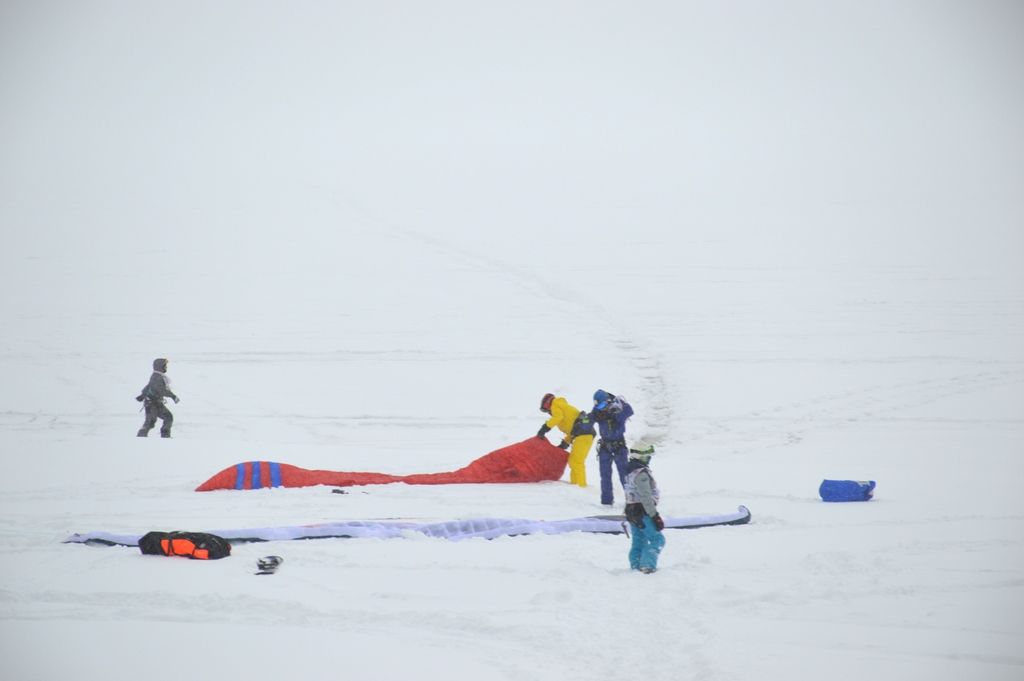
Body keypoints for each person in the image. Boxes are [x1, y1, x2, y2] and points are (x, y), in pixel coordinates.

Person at [536, 393, 595, 487]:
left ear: (548, 405)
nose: (549, 413)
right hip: (582, 434)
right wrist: (565, 443)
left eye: (547, 411)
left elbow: (558, 417)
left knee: (577, 462)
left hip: (584, 434)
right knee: (573, 461)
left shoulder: (555, 404)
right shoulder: (562, 406)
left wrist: (544, 428)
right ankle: (575, 485)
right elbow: (574, 429)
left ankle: (581, 487)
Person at [623, 441, 665, 573]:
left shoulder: (630, 471)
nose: (649, 459)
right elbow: (645, 497)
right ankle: (647, 565)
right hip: (643, 512)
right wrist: (655, 516)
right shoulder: (641, 474)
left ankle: (635, 566)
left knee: (639, 541)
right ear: (640, 456)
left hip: (632, 511)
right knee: (657, 539)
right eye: (647, 457)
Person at [591, 389, 633, 505]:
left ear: (608, 401)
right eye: (599, 406)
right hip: (605, 447)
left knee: (624, 475)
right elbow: (591, 418)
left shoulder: (619, 405)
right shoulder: (597, 409)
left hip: (619, 446)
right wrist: (590, 417)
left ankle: (632, 501)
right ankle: (606, 502)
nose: (601, 408)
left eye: (603, 405)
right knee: (605, 476)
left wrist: (616, 414)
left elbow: (630, 411)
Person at [136, 357, 179, 438]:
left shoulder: (158, 376)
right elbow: (161, 390)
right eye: (165, 366)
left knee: (168, 417)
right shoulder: (157, 377)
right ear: (160, 366)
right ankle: (141, 437)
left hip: (157, 402)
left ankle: (165, 435)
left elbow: (148, 386)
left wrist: (142, 395)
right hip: (151, 403)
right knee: (150, 421)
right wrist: (173, 396)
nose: (166, 367)